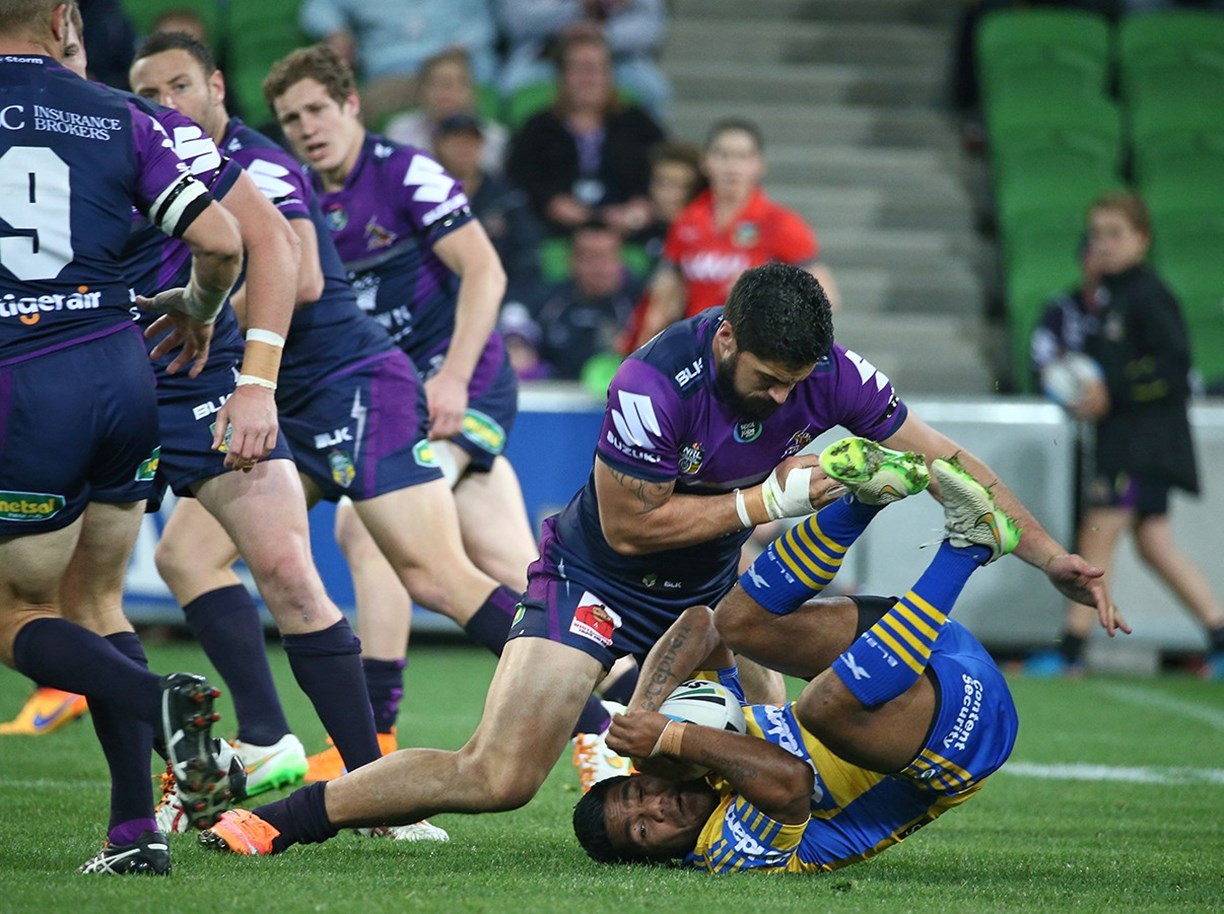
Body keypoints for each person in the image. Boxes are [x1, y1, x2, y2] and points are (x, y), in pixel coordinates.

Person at [197, 262, 1120, 858]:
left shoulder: (825, 371)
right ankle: (276, 821)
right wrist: (772, 503)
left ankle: (705, 762)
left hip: (713, 587)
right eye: (768, 381)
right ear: (726, 338)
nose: (784, 400)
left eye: (799, 386)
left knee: (773, 735)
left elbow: (949, 459)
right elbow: (633, 528)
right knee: (498, 777)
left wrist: (1048, 556)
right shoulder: (651, 384)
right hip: (598, 580)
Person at [128, 33, 512, 827]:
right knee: (186, 556)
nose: (165, 106)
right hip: (281, 397)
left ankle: (594, 716)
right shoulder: (178, 166)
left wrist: (202, 314)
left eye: (179, 87)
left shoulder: (264, 166)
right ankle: (272, 737)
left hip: (356, 386)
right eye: (149, 94)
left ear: (216, 88)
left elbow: (301, 276)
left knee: (435, 573)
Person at [264, 42, 627, 784]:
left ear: (351, 104)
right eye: (290, 119)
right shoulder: (296, 194)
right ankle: (627, 695)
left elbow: (485, 271)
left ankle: (375, 733)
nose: (306, 128)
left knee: (364, 527)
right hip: (387, 392)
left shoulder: (406, 172)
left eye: (317, 109)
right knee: (513, 570)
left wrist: (453, 378)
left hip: (456, 385)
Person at [0, 0, 242, 874]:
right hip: (123, 369)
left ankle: (158, 700)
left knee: (16, 611)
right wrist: (199, 310)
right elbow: (222, 244)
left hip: (25, 376)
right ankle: (135, 834)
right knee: (96, 601)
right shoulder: (123, 115)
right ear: (65, 17)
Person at [572, 452, 1023, 870]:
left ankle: (865, 499)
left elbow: (701, 625)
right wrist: (673, 736)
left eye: (638, 792)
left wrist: (643, 714)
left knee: (735, 622)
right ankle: (965, 549)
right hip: (961, 736)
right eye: (643, 829)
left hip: (918, 646)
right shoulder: (722, 852)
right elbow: (791, 781)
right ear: (654, 859)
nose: (656, 806)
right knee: (818, 707)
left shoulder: (690, 767)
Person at [1026, 191, 1224, 679]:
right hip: (1132, 441)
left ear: (1142, 239)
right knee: (1155, 544)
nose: (1104, 244)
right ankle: (1220, 637)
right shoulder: (1111, 297)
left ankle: (1070, 651)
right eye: (1097, 235)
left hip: (1140, 445)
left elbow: (1174, 369)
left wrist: (1110, 392)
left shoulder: (1148, 295)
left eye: (1115, 234)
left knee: (1097, 530)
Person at [633, 118, 842, 349]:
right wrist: (646, 348)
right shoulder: (686, 221)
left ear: (760, 165)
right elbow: (665, 298)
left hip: (755, 352)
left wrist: (766, 294)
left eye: (743, 157)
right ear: (705, 162)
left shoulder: (780, 223)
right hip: (700, 350)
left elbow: (827, 297)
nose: (732, 167)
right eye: (723, 155)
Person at [506, 32, 665, 241]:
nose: (589, 78)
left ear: (610, 75)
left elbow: (665, 170)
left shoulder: (639, 125)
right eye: (579, 69)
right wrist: (550, 202)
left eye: (597, 68)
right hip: (553, 231)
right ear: (562, 76)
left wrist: (641, 205)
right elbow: (518, 177)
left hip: (627, 230)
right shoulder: (538, 127)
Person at [297, 0, 498, 128]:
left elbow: (482, 23)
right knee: (349, 114)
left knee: (459, 105)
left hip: (446, 66)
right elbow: (319, 6)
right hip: (393, 73)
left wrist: (461, 46)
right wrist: (336, 32)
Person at [432, 112, 544, 304]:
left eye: (471, 142)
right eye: (456, 142)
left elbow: (526, 254)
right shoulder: (423, 196)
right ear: (439, 145)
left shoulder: (506, 196)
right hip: (439, 297)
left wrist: (516, 302)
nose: (464, 149)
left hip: (499, 295)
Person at [495, 0, 671, 118]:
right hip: (544, 53)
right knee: (512, 87)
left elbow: (651, 26)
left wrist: (605, 33)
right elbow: (516, 21)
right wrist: (577, 7)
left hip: (615, 55)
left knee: (654, 89)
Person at [534, 222, 640, 380]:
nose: (600, 268)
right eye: (590, 258)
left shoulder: (640, 303)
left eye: (606, 258)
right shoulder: (549, 303)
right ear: (572, 261)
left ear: (621, 261)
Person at [384, 48, 509, 175]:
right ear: (421, 89)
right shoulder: (400, 132)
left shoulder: (494, 138)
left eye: (455, 83)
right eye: (436, 83)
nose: (446, 91)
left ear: (471, 91)